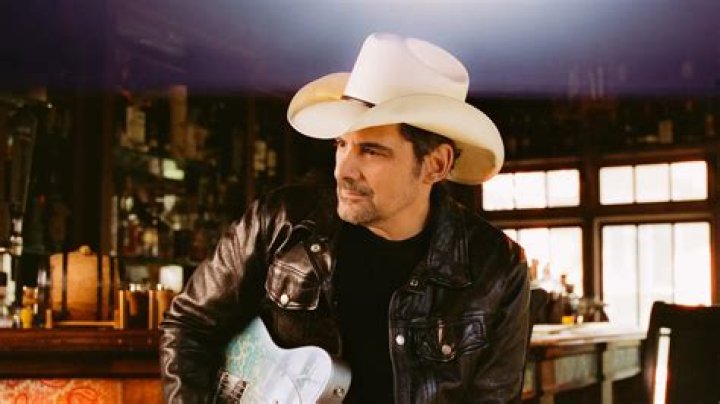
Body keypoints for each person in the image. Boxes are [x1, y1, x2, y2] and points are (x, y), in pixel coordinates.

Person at [160, 32, 529, 403]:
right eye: (341, 145)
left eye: (371, 151)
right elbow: (189, 325)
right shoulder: (281, 221)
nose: (343, 170)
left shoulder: (496, 267)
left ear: (436, 164)